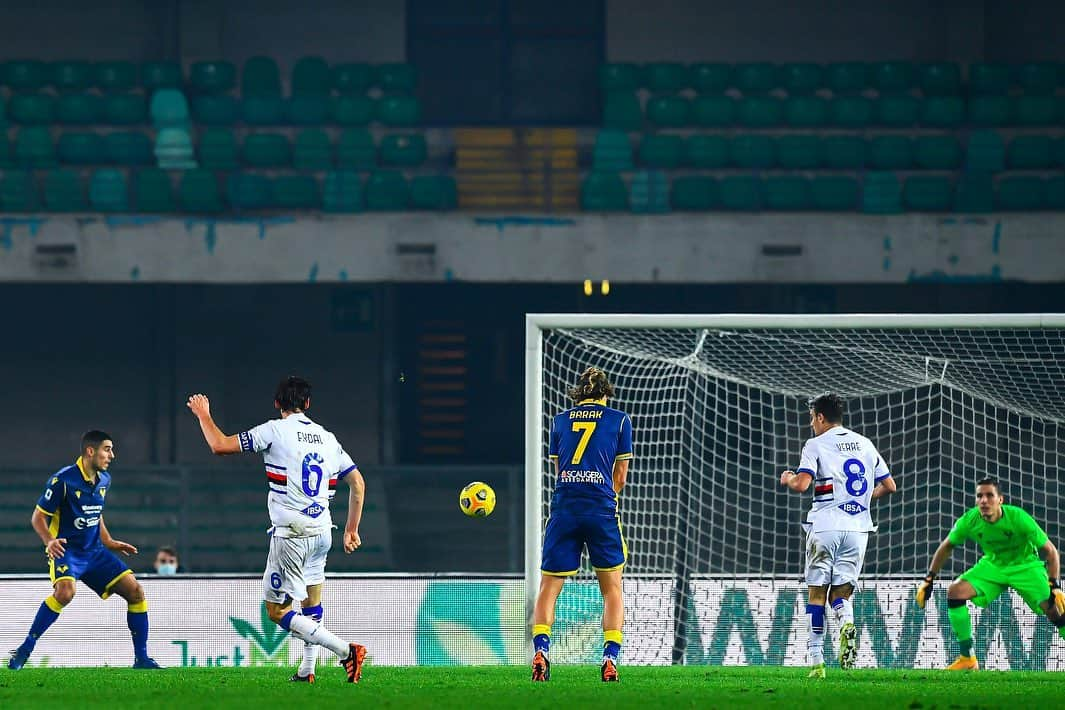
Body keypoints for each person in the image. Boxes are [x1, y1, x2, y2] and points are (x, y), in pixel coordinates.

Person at [187, 376, 368, 684]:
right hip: (323, 530)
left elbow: (220, 445)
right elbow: (358, 484)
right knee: (311, 603)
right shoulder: (328, 438)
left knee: (276, 611)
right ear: (308, 404)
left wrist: (204, 415)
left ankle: (344, 651)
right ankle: (307, 670)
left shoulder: (273, 430)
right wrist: (351, 529)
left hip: (292, 534)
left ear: (276, 403)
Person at [7, 431, 161, 670]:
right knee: (65, 593)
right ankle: (24, 649)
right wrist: (49, 540)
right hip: (68, 552)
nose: (112, 455)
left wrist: (109, 541)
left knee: (136, 592)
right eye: (107, 449)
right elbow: (38, 517)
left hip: (95, 552)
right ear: (91, 451)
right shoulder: (63, 480)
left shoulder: (104, 480)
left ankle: (141, 659)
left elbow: (95, 514)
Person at [780, 393, 896, 678]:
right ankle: (846, 619)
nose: (811, 424)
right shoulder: (865, 444)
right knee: (841, 593)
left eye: (812, 418)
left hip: (825, 526)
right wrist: (863, 501)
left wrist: (788, 478)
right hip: (858, 529)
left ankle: (817, 661)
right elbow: (890, 485)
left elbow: (802, 484)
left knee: (816, 594)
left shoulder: (816, 444)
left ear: (820, 417)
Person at [531, 367, 633, 683]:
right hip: (600, 511)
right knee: (612, 589)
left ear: (578, 393)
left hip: (565, 510)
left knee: (549, 587)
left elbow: (561, 469)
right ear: (606, 392)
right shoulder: (619, 420)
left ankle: (541, 652)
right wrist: (601, 492)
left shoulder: (560, 421)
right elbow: (620, 477)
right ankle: (609, 657)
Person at [916, 477, 1065, 670]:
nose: (984, 500)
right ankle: (967, 659)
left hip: (1025, 566)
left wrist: (1055, 586)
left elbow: (1051, 551)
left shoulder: (1019, 518)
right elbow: (946, 547)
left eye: (989, 495)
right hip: (993, 565)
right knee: (955, 591)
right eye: (980, 496)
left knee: (1054, 609)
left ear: (1000, 499)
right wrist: (929, 579)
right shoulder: (970, 520)